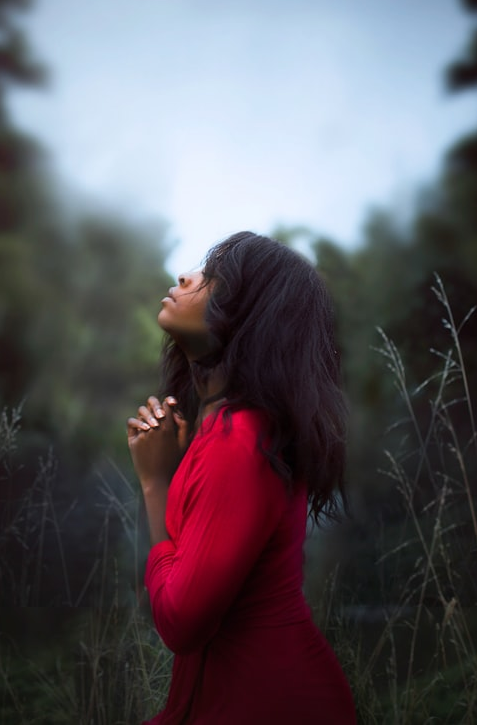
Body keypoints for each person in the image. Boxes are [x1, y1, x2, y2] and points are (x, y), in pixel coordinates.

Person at [127, 231, 356, 724]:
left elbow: (182, 623)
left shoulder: (240, 443)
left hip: (268, 702)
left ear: (251, 317)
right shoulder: (227, 432)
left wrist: (154, 484)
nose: (186, 276)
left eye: (213, 280)